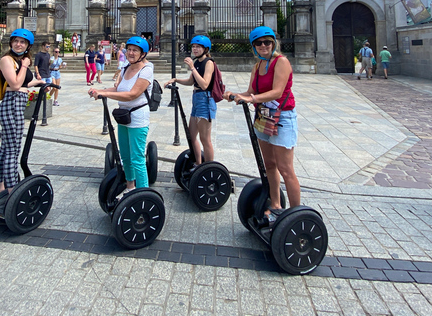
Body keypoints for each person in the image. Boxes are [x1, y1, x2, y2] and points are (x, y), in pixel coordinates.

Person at [223, 26, 300, 222]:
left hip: (282, 117)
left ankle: (296, 215)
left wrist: (252, 99)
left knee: (285, 168)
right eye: (259, 43)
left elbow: (277, 92)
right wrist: (236, 95)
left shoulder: (280, 62)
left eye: (267, 42)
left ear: (274, 43)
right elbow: (250, 92)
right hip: (265, 117)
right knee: (270, 165)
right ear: (254, 47)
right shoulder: (258, 66)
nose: (263, 46)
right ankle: (275, 205)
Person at [0, 28, 47, 217]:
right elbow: (16, 84)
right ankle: (12, 192)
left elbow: (25, 83)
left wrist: (40, 83)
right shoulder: (7, 60)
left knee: (5, 150)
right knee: (12, 151)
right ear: (11, 43)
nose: (19, 44)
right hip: (11, 106)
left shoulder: (18, 62)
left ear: (28, 46)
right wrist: (25, 65)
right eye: (16, 41)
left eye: (23, 42)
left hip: (16, 105)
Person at [88, 36, 154, 193]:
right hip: (124, 116)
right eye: (129, 49)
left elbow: (132, 94)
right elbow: (118, 90)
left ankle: (142, 193)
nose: (131, 53)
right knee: (125, 156)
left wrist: (105, 95)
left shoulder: (146, 70)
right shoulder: (125, 68)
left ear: (143, 54)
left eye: (135, 50)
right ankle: (130, 187)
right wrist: (99, 91)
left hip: (138, 117)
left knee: (137, 159)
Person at [166, 35, 217, 167]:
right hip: (196, 98)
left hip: (205, 99)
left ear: (205, 49)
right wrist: (176, 80)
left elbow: (205, 84)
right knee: (192, 135)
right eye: (193, 46)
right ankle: (198, 164)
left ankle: (209, 167)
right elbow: (191, 81)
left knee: (205, 139)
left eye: (198, 47)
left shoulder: (209, 63)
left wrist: (192, 68)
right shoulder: (198, 62)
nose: (195, 49)